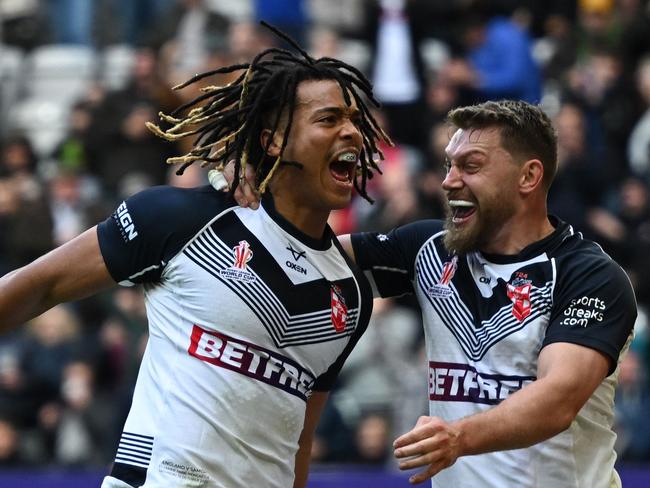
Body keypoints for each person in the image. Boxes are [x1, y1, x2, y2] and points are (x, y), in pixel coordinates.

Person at [0, 23, 391, 487]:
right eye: (329, 119)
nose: (351, 131)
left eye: (354, 119)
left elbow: (297, 447)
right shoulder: (181, 220)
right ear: (273, 142)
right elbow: (38, 285)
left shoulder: (348, 292)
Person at [225, 98, 637, 486]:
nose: (448, 181)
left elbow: (556, 401)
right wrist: (263, 179)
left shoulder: (588, 275)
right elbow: (303, 254)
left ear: (528, 176)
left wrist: (459, 437)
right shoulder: (429, 250)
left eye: (470, 166)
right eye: (448, 165)